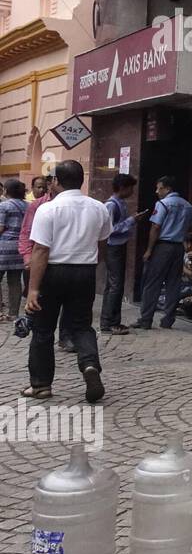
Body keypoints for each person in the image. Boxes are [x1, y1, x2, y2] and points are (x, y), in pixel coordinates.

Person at [21, 160, 112, 403]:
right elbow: (102, 244)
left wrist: (33, 290)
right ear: (81, 181)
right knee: (82, 325)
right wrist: (90, 263)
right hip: (85, 272)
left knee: (43, 329)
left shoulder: (48, 209)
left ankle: (40, 385)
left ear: (56, 182)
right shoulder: (99, 208)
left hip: (53, 272)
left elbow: (40, 250)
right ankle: (90, 366)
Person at [133, 176, 192, 330]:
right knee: (173, 284)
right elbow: (190, 227)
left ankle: (146, 319)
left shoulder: (162, 204)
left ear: (167, 189)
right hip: (178, 247)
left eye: (159, 188)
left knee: (152, 283)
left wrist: (149, 250)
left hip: (163, 247)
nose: (157, 191)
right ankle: (168, 319)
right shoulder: (188, 206)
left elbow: (155, 227)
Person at [19, 175, 71, 350]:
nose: (42, 189)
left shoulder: (70, 204)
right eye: (39, 187)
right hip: (39, 260)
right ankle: (39, 334)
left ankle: (65, 337)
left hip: (63, 260)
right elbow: (26, 233)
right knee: (39, 301)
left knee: (66, 302)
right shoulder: (37, 205)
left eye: (44, 186)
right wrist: (28, 259)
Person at [101, 173, 146, 334]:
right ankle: (109, 322)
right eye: (130, 188)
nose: (132, 191)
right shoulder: (112, 205)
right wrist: (131, 221)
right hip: (113, 247)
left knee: (114, 285)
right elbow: (110, 229)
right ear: (122, 188)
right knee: (115, 285)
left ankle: (112, 320)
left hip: (118, 247)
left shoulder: (120, 203)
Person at [0, 179, 29, 320]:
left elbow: (0, 227)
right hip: (20, 248)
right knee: (15, 281)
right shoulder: (27, 206)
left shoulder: (4, 206)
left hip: (4, 247)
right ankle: (13, 313)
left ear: (6, 190)